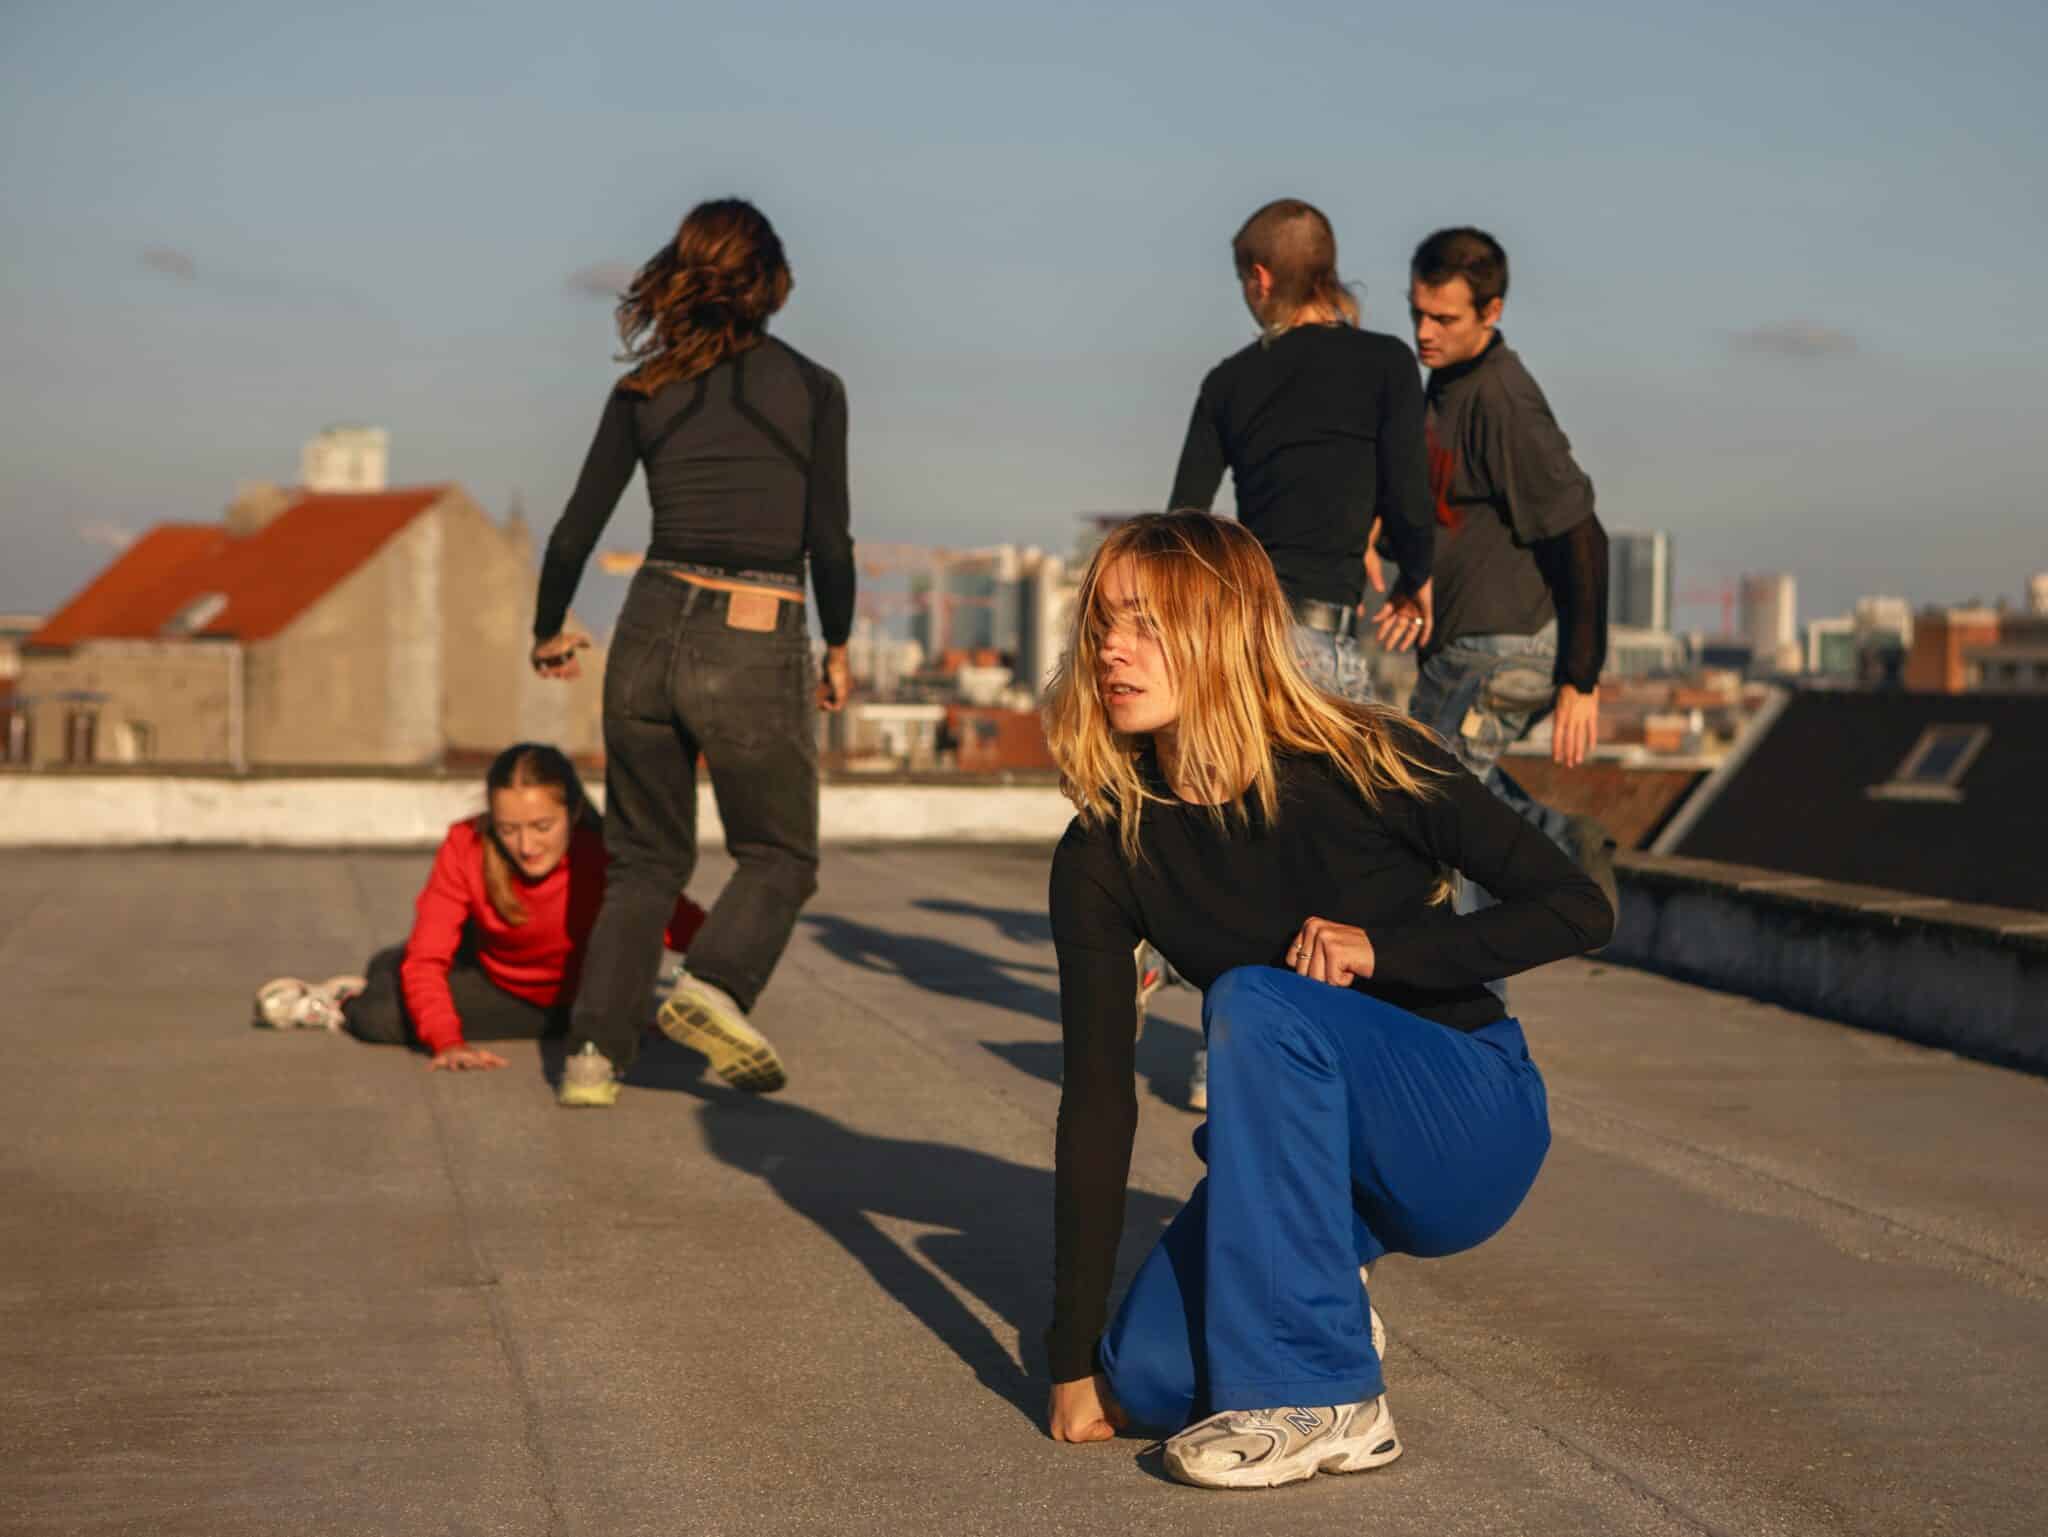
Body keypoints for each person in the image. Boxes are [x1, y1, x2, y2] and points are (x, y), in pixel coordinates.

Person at [1040, 512, 1611, 1490]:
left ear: (1220, 629)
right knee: (1141, 1377)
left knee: (1256, 1002)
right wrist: (1068, 1354)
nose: (1110, 649)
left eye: (1142, 621)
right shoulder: (1105, 848)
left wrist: (1384, 948)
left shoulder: (1366, 761)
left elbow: (1577, 907)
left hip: (1463, 1118)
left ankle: (1325, 1394)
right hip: (1318, 1172)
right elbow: (1097, 1102)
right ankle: (1323, 1299)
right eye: (1101, 623)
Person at [530, 197, 855, 1108]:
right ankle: (712, 985)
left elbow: (572, 531)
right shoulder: (816, 389)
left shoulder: (644, 388)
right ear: (770, 282)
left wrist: (547, 628)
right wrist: (839, 644)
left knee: (642, 859)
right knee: (780, 853)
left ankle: (594, 1057)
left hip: (648, 620)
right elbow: (830, 541)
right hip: (754, 625)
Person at [1395, 227, 1619, 915]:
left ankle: (1470, 1009)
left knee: (1442, 819)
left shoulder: (1504, 400)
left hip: (1510, 647)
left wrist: (1581, 676)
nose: (1424, 332)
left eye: (1444, 318)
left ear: (1490, 313)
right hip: (1459, 649)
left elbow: (1583, 534)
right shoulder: (1447, 388)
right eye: (1417, 313)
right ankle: (1558, 840)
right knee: (1411, 790)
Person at [253, 743, 704, 1069]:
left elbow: (688, 928)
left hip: (568, 1003)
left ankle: (348, 1001)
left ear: (573, 813)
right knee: (403, 967)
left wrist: (732, 969)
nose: (526, 846)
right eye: (508, 829)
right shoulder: (466, 844)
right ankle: (348, 997)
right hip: (497, 975)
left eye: (542, 825)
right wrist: (448, 1043)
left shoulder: (608, 855)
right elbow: (429, 957)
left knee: (380, 1015)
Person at [1167, 197, 1437, 705]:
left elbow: (1183, 525)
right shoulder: (1386, 363)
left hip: (1246, 640)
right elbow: (1410, 499)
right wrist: (1415, 576)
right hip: (1317, 643)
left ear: (1261, 278)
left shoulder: (1226, 383)